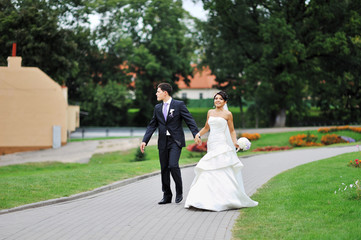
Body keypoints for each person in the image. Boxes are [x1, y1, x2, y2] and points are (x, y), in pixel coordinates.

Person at [184, 91, 258, 211]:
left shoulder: (228, 114)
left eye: (220, 99)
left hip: (222, 143)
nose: (217, 100)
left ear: (225, 102)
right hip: (212, 143)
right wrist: (198, 134)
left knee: (222, 167)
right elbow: (207, 127)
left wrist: (235, 142)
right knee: (209, 167)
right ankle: (202, 199)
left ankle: (225, 199)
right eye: (216, 98)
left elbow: (232, 130)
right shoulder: (210, 112)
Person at [140, 83, 200, 204]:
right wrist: (144, 140)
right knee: (164, 169)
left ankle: (179, 191)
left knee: (173, 165)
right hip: (163, 142)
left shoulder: (179, 105)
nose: (156, 93)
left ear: (165, 92)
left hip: (175, 141)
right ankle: (167, 195)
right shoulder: (157, 108)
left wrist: (196, 133)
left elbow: (189, 120)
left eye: (158, 91)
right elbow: (152, 125)